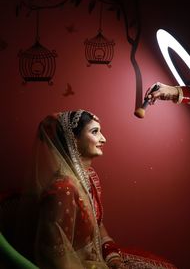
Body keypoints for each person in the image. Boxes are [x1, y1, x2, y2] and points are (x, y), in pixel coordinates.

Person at [15, 109, 179, 269]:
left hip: (97, 258)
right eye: (94, 132)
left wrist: (112, 257)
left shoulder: (88, 177)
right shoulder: (62, 189)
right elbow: (55, 257)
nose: (103, 139)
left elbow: (98, 225)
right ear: (74, 139)